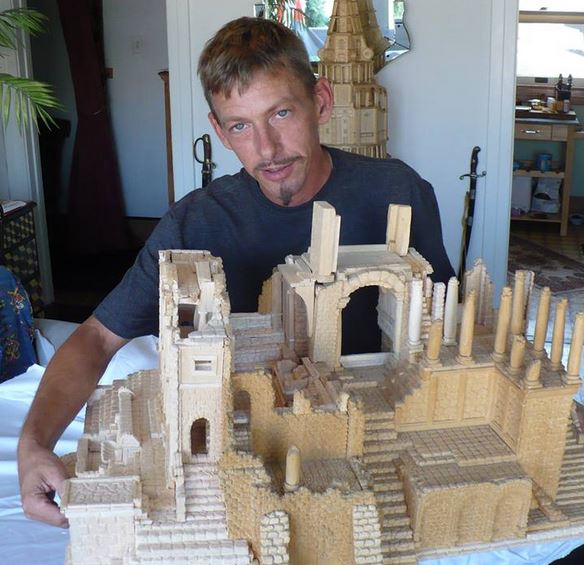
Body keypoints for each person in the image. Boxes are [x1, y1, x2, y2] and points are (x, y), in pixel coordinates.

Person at [17, 17, 454, 528]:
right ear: (220, 131)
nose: (267, 149)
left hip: (373, 433)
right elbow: (96, 337)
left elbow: (444, 317)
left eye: (281, 113)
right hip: (247, 450)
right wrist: (33, 445)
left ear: (321, 102)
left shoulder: (399, 191)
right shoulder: (194, 222)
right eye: (241, 126)